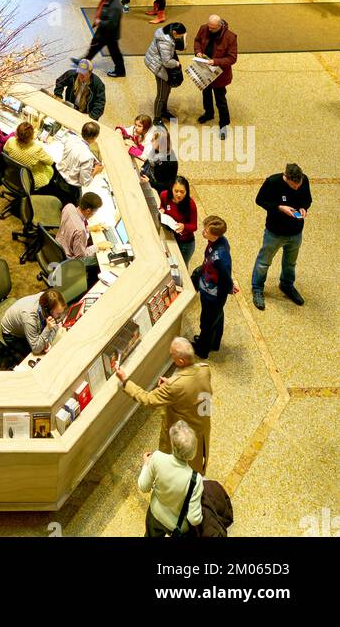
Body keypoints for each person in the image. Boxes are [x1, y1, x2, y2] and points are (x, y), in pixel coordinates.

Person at [113, 337, 211, 472]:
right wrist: (172, 383)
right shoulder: (204, 369)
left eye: (172, 356)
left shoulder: (175, 386)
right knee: (198, 460)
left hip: (184, 434)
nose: (171, 357)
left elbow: (147, 399)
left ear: (181, 360)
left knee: (181, 466)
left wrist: (125, 381)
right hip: (202, 425)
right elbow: (190, 389)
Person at [251, 162, 311, 310]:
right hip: (275, 232)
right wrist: (279, 207)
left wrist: (304, 208)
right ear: (286, 177)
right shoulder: (272, 182)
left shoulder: (304, 180)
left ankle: (287, 285)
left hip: (296, 232)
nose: (297, 188)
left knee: (291, 263)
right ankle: (257, 288)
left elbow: (307, 199)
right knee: (264, 262)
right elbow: (260, 200)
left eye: (299, 185)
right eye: (293, 186)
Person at [137, 421, 204, 538]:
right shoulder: (195, 479)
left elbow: (143, 486)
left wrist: (146, 465)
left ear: (172, 444)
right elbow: (194, 519)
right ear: (192, 453)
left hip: (155, 513)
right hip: (177, 527)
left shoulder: (157, 458)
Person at [192, 215, 236, 358]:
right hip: (210, 287)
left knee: (207, 323)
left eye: (206, 231)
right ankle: (214, 343)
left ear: (215, 235)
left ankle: (202, 349)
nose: (203, 232)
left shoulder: (220, 257)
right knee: (216, 317)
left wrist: (229, 287)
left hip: (213, 295)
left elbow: (225, 276)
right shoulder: (219, 241)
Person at [194, 15, 238, 138]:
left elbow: (232, 58)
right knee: (206, 93)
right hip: (204, 69)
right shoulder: (204, 28)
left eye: (212, 28)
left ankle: (224, 124)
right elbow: (197, 40)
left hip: (220, 74)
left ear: (220, 26)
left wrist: (215, 62)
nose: (209, 29)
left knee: (220, 99)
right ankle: (208, 113)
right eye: (209, 26)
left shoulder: (230, 37)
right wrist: (197, 51)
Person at [0, 286, 66, 358]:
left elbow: (56, 325)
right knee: (38, 356)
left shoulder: (47, 299)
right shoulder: (30, 318)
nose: (61, 316)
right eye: (59, 313)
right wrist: (48, 329)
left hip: (25, 320)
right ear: (48, 311)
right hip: (11, 335)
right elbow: (36, 349)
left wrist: (48, 342)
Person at [144, 21, 187, 123]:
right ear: (175, 32)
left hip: (159, 64)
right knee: (161, 94)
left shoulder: (165, 31)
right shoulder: (165, 42)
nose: (180, 37)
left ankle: (164, 111)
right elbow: (166, 62)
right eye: (180, 35)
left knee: (167, 90)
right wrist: (176, 64)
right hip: (160, 68)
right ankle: (157, 118)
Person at [82, 0, 126, 78]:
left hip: (109, 35)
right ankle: (84, 61)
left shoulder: (115, 7)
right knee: (94, 46)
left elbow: (111, 24)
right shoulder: (108, 1)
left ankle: (120, 71)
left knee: (114, 53)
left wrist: (99, 22)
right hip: (103, 32)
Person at [56, 194, 103, 285]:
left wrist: (88, 229)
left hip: (58, 245)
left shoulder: (69, 207)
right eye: (94, 212)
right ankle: (87, 284)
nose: (94, 215)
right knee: (100, 258)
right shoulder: (80, 231)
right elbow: (80, 257)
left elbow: (71, 227)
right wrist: (98, 246)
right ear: (88, 210)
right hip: (69, 260)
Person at [54, 121, 103, 204]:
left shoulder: (71, 139)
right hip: (70, 189)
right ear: (95, 138)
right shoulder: (87, 157)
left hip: (58, 178)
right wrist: (96, 171)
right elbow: (85, 182)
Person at [160, 177, 198, 268]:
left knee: (182, 267)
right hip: (170, 237)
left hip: (185, 243)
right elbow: (162, 206)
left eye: (182, 192)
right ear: (171, 189)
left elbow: (194, 226)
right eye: (176, 191)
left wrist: (184, 226)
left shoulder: (190, 204)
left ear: (186, 191)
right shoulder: (164, 195)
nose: (179, 194)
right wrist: (161, 210)